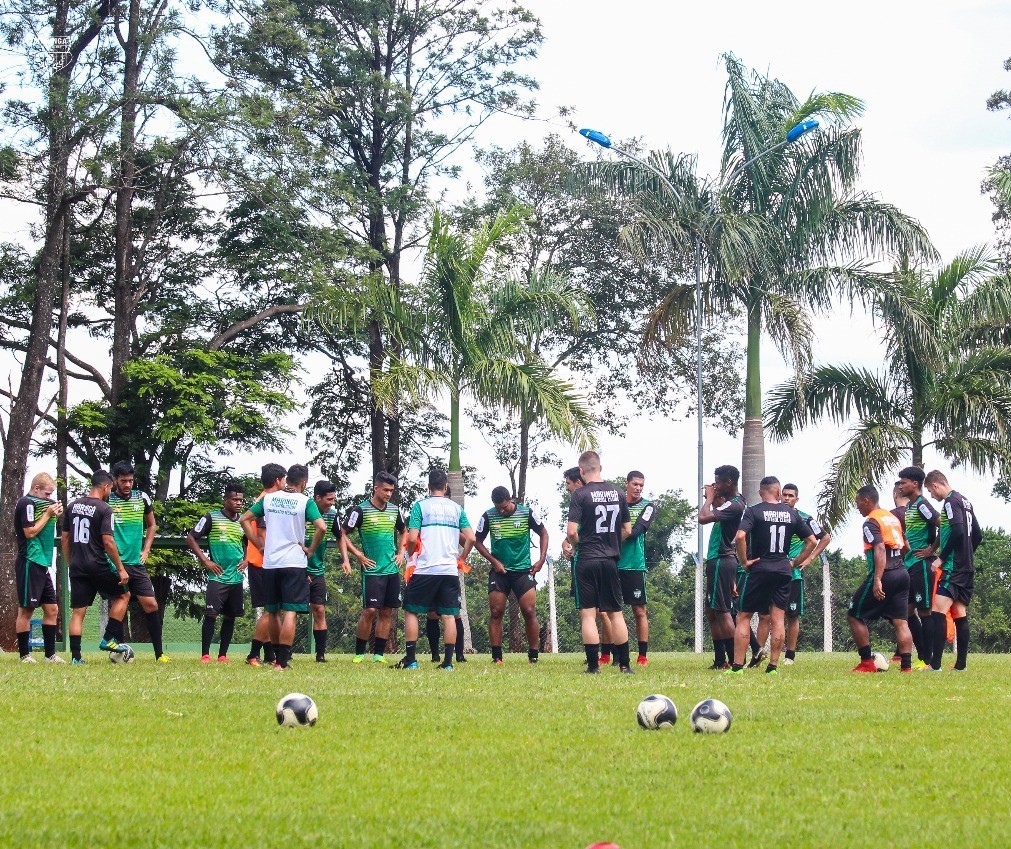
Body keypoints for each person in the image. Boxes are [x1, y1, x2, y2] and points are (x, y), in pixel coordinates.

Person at [239, 464, 327, 670]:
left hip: (271, 562)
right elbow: (321, 527)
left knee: (272, 611)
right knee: (291, 612)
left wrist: (259, 545)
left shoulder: (268, 499)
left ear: (286, 480)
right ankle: (282, 662)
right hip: (294, 562)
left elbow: (244, 519)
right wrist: (311, 549)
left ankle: (276, 657)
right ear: (304, 483)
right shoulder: (305, 501)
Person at [728, 476, 816, 675]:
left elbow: (740, 536)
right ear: (778, 492)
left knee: (744, 616)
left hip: (760, 568)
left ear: (761, 492)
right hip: (783, 570)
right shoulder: (791, 514)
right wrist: (795, 562)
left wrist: (743, 561)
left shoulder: (754, 511)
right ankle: (773, 667)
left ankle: (737, 667)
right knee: (778, 618)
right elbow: (811, 540)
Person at [397, 469, 475, 670]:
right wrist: (462, 557)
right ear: (446, 486)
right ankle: (448, 663)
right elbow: (471, 538)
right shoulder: (456, 509)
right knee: (449, 615)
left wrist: (413, 554)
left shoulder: (420, 507)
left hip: (425, 569)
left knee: (411, 610)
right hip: (448, 570)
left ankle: (411, 660)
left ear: (428, 486)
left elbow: (412, 538)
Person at [465, 485, 548, 664]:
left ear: (511, 499)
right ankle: (497, 657)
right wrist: (494, 561)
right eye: (498, 507)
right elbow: (477, 542)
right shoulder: (488, 515)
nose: (501, 511)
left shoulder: (526, 513)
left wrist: (541, 560)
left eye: (504, 507)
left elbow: (543, 532)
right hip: (500, 573)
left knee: (529, 610)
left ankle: (533, 655)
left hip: (523, 571)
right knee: (496, 612)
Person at [567, 450, 633, 674]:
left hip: (587, 558)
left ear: (582, 471)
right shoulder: (618, 493)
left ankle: (593, 667)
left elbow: (572, 531)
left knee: (588, 613)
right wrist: (612, 541)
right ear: (601, 468)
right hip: (610, 559)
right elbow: (627, 529)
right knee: (616, 613)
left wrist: (577, 546)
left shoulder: (579, 495)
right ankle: (624, 665)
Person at [63, 470, 130, 663]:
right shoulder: (104, 509)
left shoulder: (72, 506)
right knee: (123, 595)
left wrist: (70, 562)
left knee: (78, 611)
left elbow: (65, 538)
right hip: (96, 564)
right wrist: (120, 568)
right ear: (106, 486)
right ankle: (108, 638)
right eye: (111, 488)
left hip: (77, 565)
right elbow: (108, 542)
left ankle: (76, 658)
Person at [341, 471, 406, 664]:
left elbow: (404, 532)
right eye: (385, 490)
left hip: (392, 570)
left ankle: (379, 654)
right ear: (375, 488)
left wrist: (401, 553)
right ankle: (360, 653)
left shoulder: (395, 510)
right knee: (369, 611)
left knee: (386, 612)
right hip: (372, 570)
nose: (388, 494)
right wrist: (358, 555)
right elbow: (343, 534)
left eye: (391, 491)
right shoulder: (359, 510)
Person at [848, 485, 914, 672]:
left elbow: (879, 548)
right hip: (902, 573)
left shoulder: (871, 522)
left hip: (885, 573)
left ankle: (867, 663)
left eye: (858, 503)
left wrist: (878, 579)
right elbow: (905, 547)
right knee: (901, 621)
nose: (857, 507)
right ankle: (906, 668)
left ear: (866, 501)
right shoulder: (892, 518)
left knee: (854, 615)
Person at [109, 461, 166, 661]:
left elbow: (152, 525)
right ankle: (117, 649)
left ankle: (160, 654)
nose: (127, 484)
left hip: (136, 563)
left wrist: (146, 549)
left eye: (130, 480)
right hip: (116, 564)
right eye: (123, 481)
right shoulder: (107, 499)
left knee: (151, 604)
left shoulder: (141, 497)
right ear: (115, 480)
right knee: (120, 605)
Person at [925, 470, 982, 671]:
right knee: (959, 612)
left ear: (936, 485)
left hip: (953, 567)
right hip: (966, 567)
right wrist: (968, 554)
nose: (932, 496)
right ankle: (960, 666)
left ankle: (935, 665)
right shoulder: (966, 501)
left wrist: (941, 558)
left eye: (931, 491)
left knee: (938, 611)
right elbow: (978, 535)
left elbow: (958, 530)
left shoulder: (950, 502)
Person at [187, 483, 247, 663]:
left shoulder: (244, 520)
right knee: (211, 615)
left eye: (241, 500)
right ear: (225, 500)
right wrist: (206, 561)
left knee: (230, 616)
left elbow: (249, 541)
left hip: (236, 577)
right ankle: (205, 654)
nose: (238, 503)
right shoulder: (211, 518)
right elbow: (191, 538)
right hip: (218, 576)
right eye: (235, 499)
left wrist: (247, 559)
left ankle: (223, 655)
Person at [698, 465, 747, 670]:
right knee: (711, 611)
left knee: (723, 611)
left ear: (729, 482)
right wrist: (714, 497)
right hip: (718, 560)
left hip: (722, 558)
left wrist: (709, 498)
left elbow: (703, 518)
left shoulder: (736, 504)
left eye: (718, 481)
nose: (715, 484)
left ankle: (733, 660)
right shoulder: (732, 503)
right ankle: (719, 660)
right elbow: (719, 509)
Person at [14, 472, 64, 662]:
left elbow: (44, 525)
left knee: (52, 609)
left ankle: (50, 655)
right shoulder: (26, 503)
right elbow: (30, 532)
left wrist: (54, 515)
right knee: (26, 610)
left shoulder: (40, 505)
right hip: (30, 561)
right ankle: (24, 655)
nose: (49, 498)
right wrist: (48, 514)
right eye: (47, 494)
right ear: (36, 489)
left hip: (42, 562)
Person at [779, 484, 831, 665]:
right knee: (770, 615)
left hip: (794, 575)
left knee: (792, 615)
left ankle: (790, 656)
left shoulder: (805, 518)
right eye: (784, 495)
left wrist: (809, 558)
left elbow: (824, 537)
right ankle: (771, 653)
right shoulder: (774, 515)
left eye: (790, 495)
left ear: (796, 499)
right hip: (773, 572)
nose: (786, 498)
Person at [896, 467, 940, 669]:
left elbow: (943, 523)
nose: (900, 486)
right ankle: (923, 655)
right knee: (906, 611)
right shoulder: (912, 506)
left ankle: (928, 660)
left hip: (922, 565)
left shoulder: (922, 504)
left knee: (925, 611)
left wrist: (932, 549)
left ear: (915, 484)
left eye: (903, 482)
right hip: (910, 564)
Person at [244, 463, 286, 667]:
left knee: (274, 610)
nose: (286, 483)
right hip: (263, 564)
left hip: (263, 562)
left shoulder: (264, 499)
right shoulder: (267, 501)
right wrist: (264, 550)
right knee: (271, 610)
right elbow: (261, 533)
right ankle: (253, 654)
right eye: (284, 479)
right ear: (278, 481)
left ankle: (270, 655)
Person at [616, 471, 656, 666]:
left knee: (639, 611)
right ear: (627, 484)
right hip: (613, 564)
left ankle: (642, 655)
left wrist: (610, 540)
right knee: (611, 611)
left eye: (641, 485)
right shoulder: (616, 502)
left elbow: (636, 531)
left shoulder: (647, 506)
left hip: (634, 565)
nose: (638, 488)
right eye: (635, 484)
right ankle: (613, 655)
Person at [307, 480, 339, 663]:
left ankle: (320, 654)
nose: (331, 503)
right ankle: (283, 652)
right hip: (296, 568)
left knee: (319, 610)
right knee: (290, 611)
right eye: (329, 499)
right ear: (317, 498)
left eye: (333, 499)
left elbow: (340, 536)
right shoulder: (303, 512)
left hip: (318, 570)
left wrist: (345, 559)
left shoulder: (332, 515)